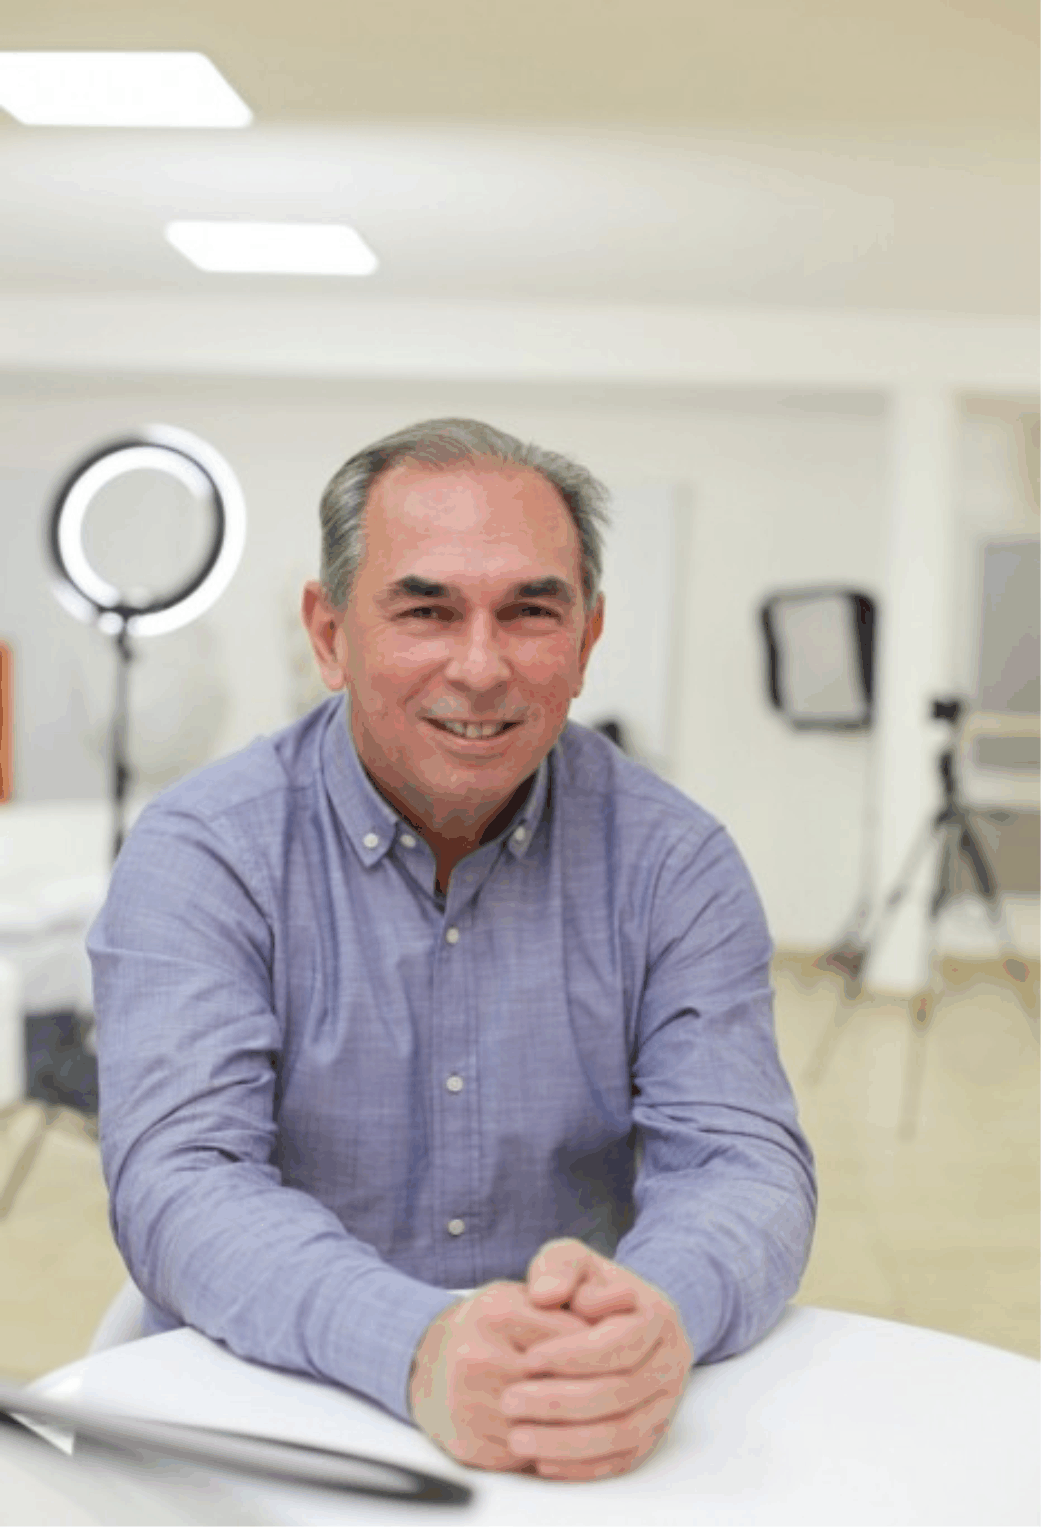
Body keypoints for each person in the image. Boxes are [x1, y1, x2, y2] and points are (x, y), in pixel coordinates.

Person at [88, 417, 816, 1483]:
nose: (480, 668)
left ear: (587, 638)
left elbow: (741, 1163)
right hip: (270, 1420)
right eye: (426, 610)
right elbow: (182, 1179)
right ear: (329, 635)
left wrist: (652, 1314)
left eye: (530, 612)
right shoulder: (205, 854)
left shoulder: (676, 864)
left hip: (574, 1422)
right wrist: (415, 1344)